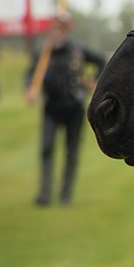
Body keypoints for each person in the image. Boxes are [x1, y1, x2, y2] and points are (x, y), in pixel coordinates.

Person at [26, 12, 106, 206]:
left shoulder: (77, 51)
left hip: (74, 108)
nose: (56, 33)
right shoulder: (42, 54)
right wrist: (30, 89)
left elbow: (101, 61)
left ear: (66, 30)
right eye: (53, 29)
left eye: (60, 29)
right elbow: (30, 75)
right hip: (51, 108)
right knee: (46, 149)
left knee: (71, 151)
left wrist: (93, 81)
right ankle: (44, 194)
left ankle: (66, 194)